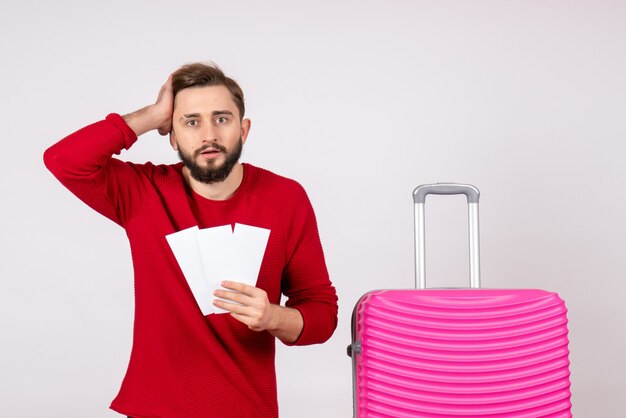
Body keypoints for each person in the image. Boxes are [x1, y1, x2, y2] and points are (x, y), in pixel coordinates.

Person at [44, 62, 338, 418]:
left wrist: (273, 317)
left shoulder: (284, 197)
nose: (208, 135)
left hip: (247, 409)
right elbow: (63, 160)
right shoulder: (144, 192)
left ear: (244, 129)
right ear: (171, 135)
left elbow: (322, 314)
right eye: (191, 121)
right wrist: (151, 115)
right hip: (153, 409)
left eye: (222, 119)